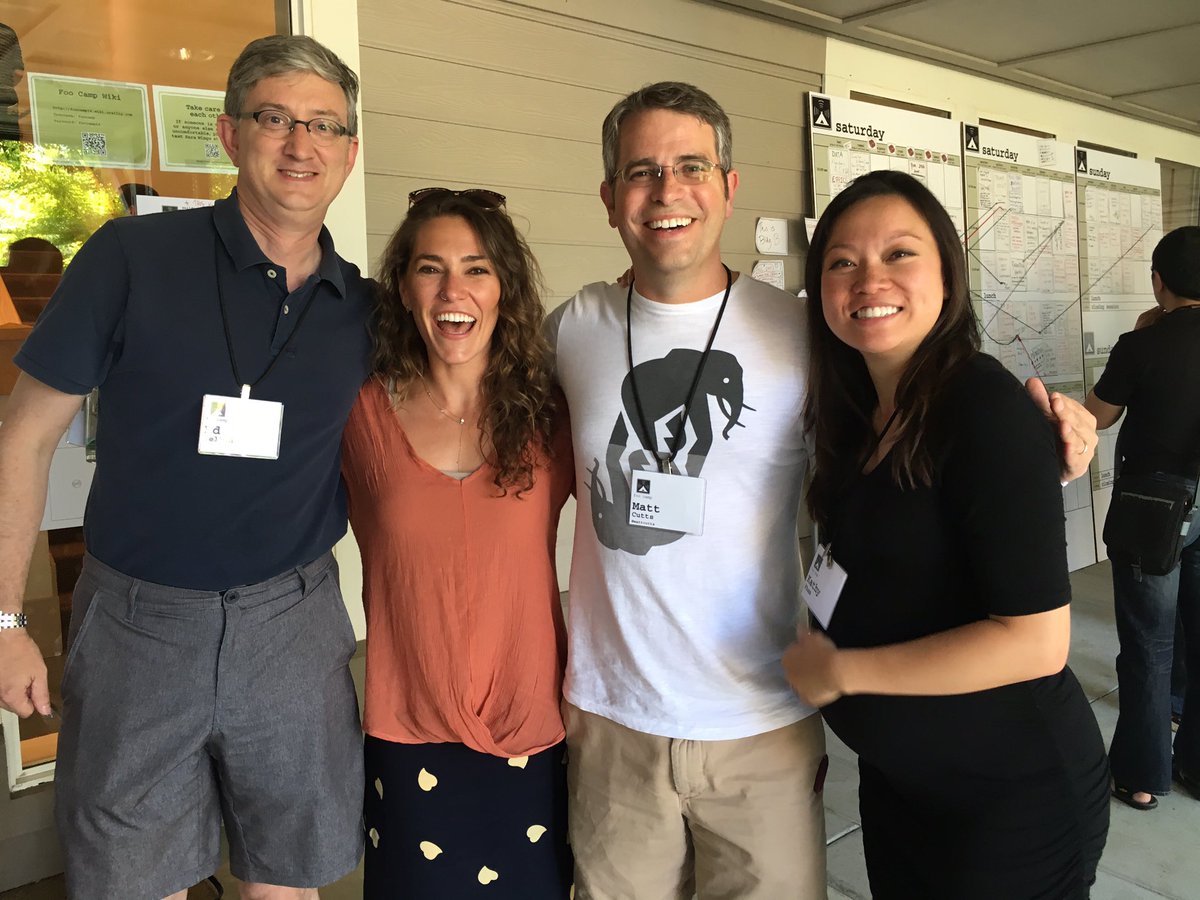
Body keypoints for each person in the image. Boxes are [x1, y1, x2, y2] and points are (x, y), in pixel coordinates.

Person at [543, 81, 1099, 899]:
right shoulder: (570, 329)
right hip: (615, 718)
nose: (667, 191)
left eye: (692, 166)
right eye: (640, 171)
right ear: (608, 198)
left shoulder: (804, 334)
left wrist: (1050, 439)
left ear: (729, 187)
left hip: (764, 722)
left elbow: (950, 447)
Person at [0, 35, 368, 899]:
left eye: (324, 125)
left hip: (293, 626)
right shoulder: (131, 258)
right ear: (230, 134)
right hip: (139, 627)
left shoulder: (361, 308)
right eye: (275, 118)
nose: (301, 144)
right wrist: (4, 620)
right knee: (133, 878)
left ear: (349, 152)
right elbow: (24, 438)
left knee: (287, 877)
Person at [783, 169, 1110, 899]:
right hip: (903, 788)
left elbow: (1036, 642)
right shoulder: (856, 410)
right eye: (842, 261)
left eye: (899, 253)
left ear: (947, 273)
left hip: (1006, 802)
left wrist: (844, 673)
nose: (869, 280)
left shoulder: (986, 409)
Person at [340, 187, 574, 898]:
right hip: (408, 723)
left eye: (477, 269)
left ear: (506, 289)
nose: (453, 290)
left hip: (528, 721)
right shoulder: (359, 414)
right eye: (429, 268)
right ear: (402, 289)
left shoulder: (553, 413)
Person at [1084, 225, 1200, 810]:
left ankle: (1142, 776)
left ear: (1159, 281)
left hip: (1153, 507)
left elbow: (1096, 418)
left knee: (1149, 645)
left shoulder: (1142, 345)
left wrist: (1139, 337)